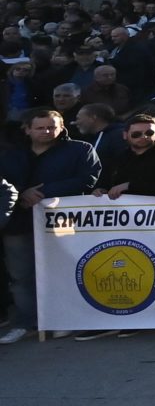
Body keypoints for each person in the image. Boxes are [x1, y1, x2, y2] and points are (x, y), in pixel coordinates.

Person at [0, 109, 102, 340]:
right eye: (40, 127)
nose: (47, 132)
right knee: (21, 277)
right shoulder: (11, 155)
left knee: (65, 272)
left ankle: (65, 318)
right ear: (27, 129)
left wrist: (45, 192)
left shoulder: (80, 149)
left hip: (63, 222)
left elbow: (88, 178)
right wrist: (22, 195)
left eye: (52, 127)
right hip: (19, 221)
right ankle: (27, 323)